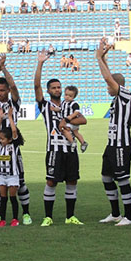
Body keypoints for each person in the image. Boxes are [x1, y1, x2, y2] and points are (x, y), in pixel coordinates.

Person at [34, 51, 86, 226]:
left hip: (70, 150)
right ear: (49, 91)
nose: (57, 89)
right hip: (54, 150)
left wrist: (69, 119)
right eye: (54, 87)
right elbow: (36, 87)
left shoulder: (69, 104)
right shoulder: (45, 105)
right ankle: (48, 217)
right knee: (51, 181)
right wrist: (40, 63)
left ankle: (70, 216)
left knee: (72, 181)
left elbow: (82, 120)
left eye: (59, 87)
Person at [0, 54, 32, 224]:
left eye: (2, 90)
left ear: (8, 91)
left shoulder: (14, 104)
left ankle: (25, 214)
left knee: (20, 183)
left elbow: (14, 86)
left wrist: (4, 69)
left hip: (12, 149)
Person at [93, 39, 131, 226]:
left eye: (109, 86)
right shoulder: (116, 98)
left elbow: (109, 78)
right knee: (106, 177)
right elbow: (109, 77)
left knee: (123, 180)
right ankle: (115, 213)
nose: (107, 88)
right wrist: (103, 57)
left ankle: (128, 216)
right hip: (111, 145)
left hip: (122, 145)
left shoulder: (126, 94)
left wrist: (98, 58)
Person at [0, 106, 24, 227]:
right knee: (3, 198)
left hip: (12, 176)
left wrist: (10, 117)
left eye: (3, 139)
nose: (0, 140)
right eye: (0, 139)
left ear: (9, 139)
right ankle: (2, 219)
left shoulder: (13, 146)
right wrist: (0, 118)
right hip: (2, 176)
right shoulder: (0, 146)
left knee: (12, 198)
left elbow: (14, 131)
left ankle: (15, 219)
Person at [58, 86, 88, 152]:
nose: (67, 97)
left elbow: (77, 111)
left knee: (65, 130)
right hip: (68, 121)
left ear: (74, 97)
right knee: (76, 133)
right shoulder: (63, 102)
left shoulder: (74, 104)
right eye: (66, 95)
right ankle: (83, 142)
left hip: (71, 121)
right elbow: (61, 109)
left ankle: (72, 142)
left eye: (70, 96)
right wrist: (55, 109)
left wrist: (71, 117)